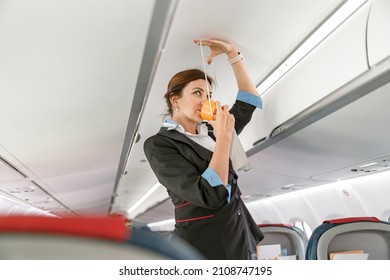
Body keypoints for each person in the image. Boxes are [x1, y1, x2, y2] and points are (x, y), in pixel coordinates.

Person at [143, 38, 264, 260]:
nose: (205, 101)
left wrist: (232, 54)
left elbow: (250, 101)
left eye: (208, 95)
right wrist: (224, 138)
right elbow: (211, 195)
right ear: (175, 99)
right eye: (197, 93)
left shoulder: (212, 130)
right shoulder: (159, 145)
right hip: (202, 247)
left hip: (238, 236)